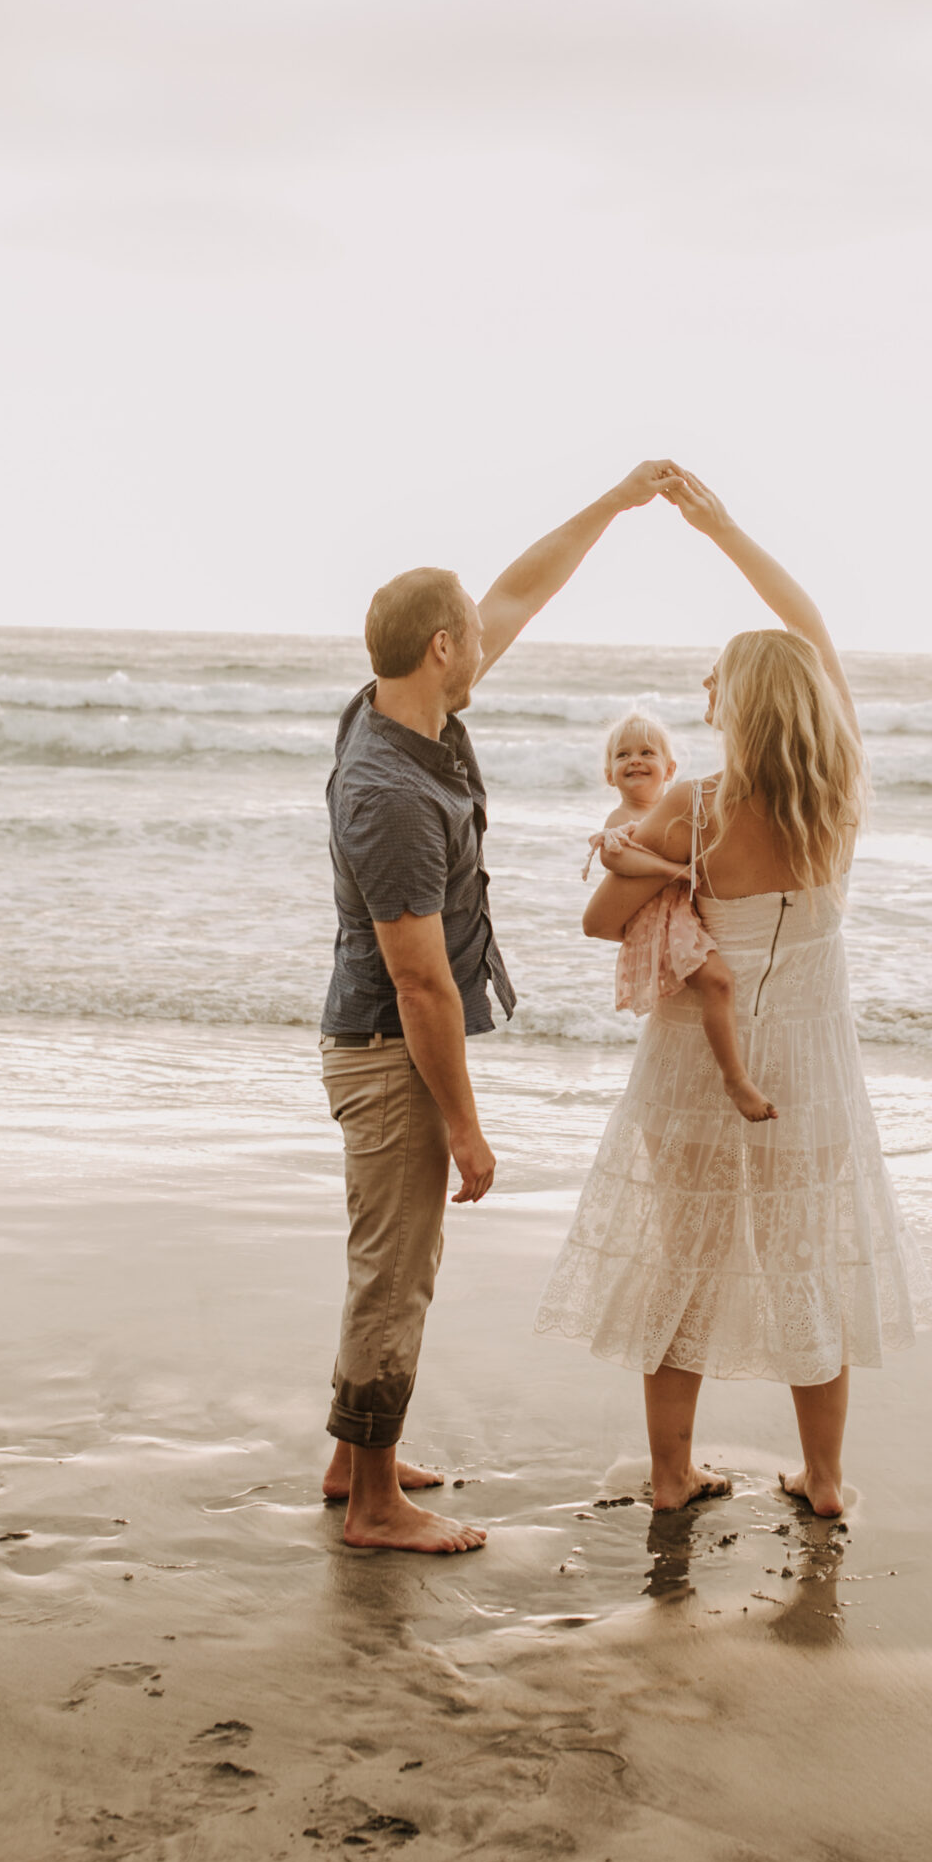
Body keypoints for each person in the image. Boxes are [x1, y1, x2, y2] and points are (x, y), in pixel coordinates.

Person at [536, 469, 932, 1518]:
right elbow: (813, 627)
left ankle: (671, 1477)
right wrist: (726, 531)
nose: (705, 697)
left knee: (686, 1265)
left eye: (717, 684)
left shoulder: (693, 805)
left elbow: (603, 921)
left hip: (691, 1070)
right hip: (808, 1068)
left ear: (738, 705)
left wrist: (652, 864)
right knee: (807, 1265)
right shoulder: (842, 801)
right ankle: (826, 1480)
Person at [319, 460, 682, 1555]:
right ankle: (374, 1506)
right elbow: (422, 982)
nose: (490, 641)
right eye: (472, 635)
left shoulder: (403, 707)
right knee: (398, 1270)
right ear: (443, 650)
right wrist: (469, 1128)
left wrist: (615, 504)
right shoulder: (390, 793)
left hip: (386, 1041)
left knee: (386, 1256)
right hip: (392, 1050)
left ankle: (351, 1456)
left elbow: (520, 590)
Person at [585, 711, 776, 1121]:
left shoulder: (675, 813)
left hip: (680, 918)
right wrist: (671, 870)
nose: (634, 760)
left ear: (669, 769)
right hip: (664, 921)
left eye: (646, 752)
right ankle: (734, 1078)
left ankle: (731, 1072)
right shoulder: (621, 818)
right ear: (609, 775)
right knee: (719, 981)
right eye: (622, 755)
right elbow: (613, 857)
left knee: (722, 982)